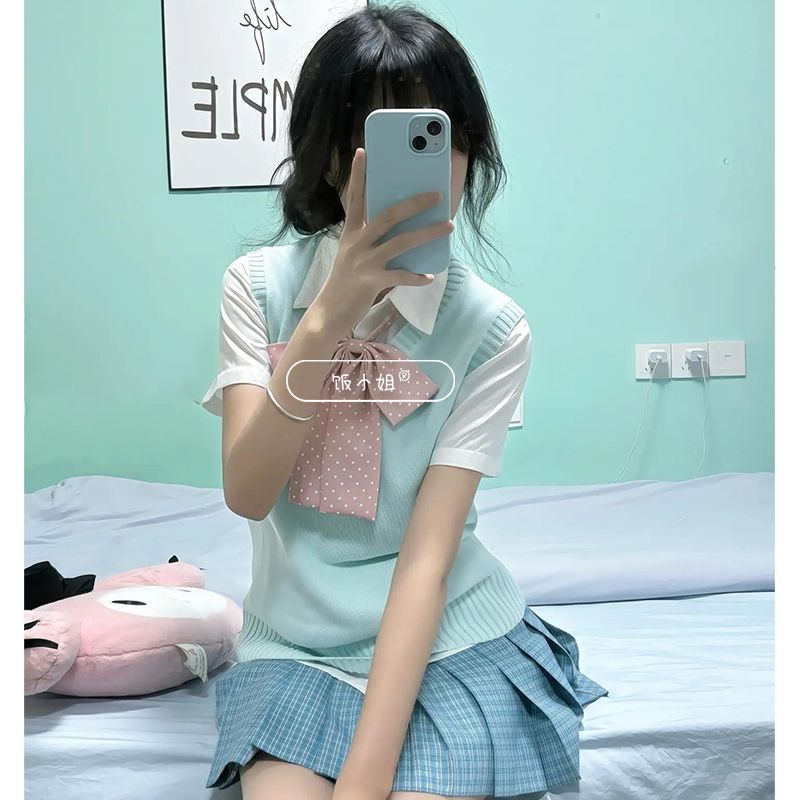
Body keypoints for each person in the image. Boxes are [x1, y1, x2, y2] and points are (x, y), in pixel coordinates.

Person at [199, 5, 609, 800]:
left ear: (469, 151)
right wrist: (331, 313)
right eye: (374, 139)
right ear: (326, 157)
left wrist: (365, 779)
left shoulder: (492, 330)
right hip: (297, 646)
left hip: (450, 641)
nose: (421, 167)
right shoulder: (255, 290)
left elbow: (426, 560)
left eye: (437, 136)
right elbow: (248, 492)